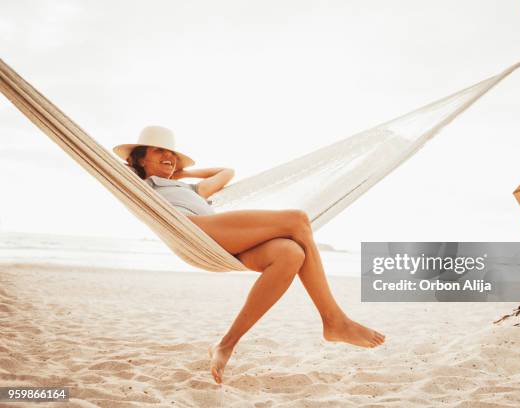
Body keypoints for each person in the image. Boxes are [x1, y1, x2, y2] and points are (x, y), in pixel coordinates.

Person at [113, 125, 385, 384]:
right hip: (195, 232)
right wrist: (150, 173)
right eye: (160, 151)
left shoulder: (189, 189)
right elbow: (114, 171)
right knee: (298, 220)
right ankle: (334, 320)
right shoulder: (144, 188)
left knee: (291, 253)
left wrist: (181, 174)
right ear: (140, 158)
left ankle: (225, 345)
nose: (169, 157)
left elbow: (226, 172)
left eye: (172, 154)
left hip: (223, 243)